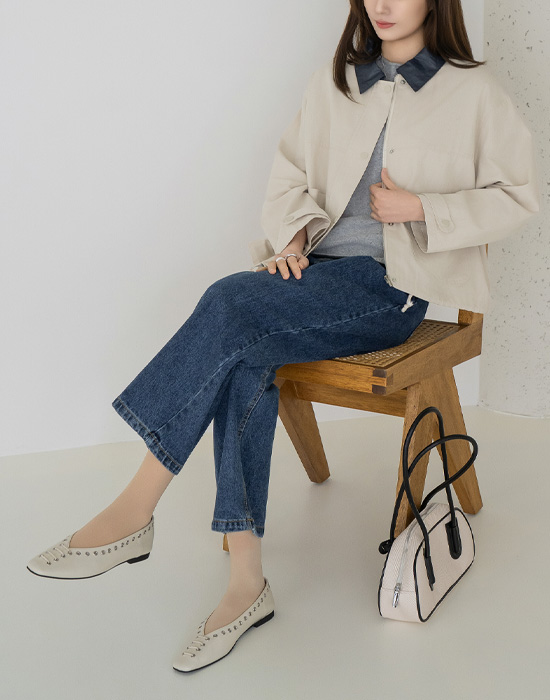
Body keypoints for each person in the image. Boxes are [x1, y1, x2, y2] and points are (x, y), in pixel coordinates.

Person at [26, 0, 539, 674]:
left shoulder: (473, 92)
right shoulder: (336, 82)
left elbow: (518, 196)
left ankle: (134, 508)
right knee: (246, 356)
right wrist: (293, 240)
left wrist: (422, 207)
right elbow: (290, 173)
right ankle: (246, 584)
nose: (382, 5)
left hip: (390, 289)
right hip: (313, 278)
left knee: (228, 301)